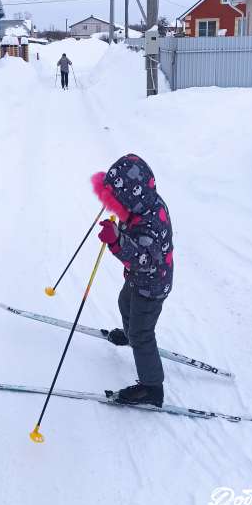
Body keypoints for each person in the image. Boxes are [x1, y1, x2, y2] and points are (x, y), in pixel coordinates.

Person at [91, 154, 173, 407]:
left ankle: (151, 388)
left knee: (142, 333)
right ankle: (129, 335)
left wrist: (117, 241)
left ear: (131, 198)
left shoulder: (149, 223)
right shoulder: (145, 205)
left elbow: (142, 258)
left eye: (117, 202)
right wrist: (119, 228)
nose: (115, 207)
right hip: (139, 281)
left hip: (152, 286)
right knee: (124, 302)